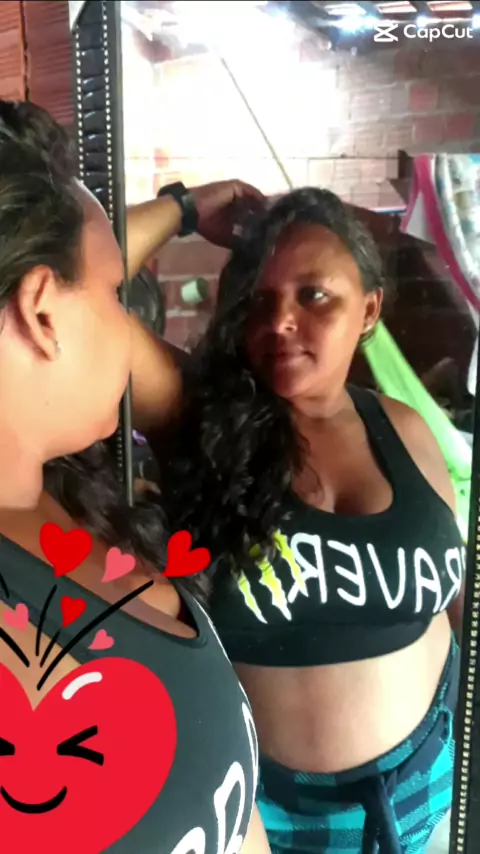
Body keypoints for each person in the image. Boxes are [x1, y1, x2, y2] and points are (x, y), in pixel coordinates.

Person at [126, 188, 465, 853]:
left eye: (313, 295)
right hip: (265, 815)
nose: (280, 320)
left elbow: (451, 595)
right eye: (259, 300)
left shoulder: (404, 426)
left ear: (369, 309)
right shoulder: (196, 416)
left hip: (431, 791)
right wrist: (185, 207)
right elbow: (62, 290)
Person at [0, 100, 270, 854]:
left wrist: (183, 208)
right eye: (119, 294)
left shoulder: (53, 493)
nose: (131, 329)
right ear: (42, 313)